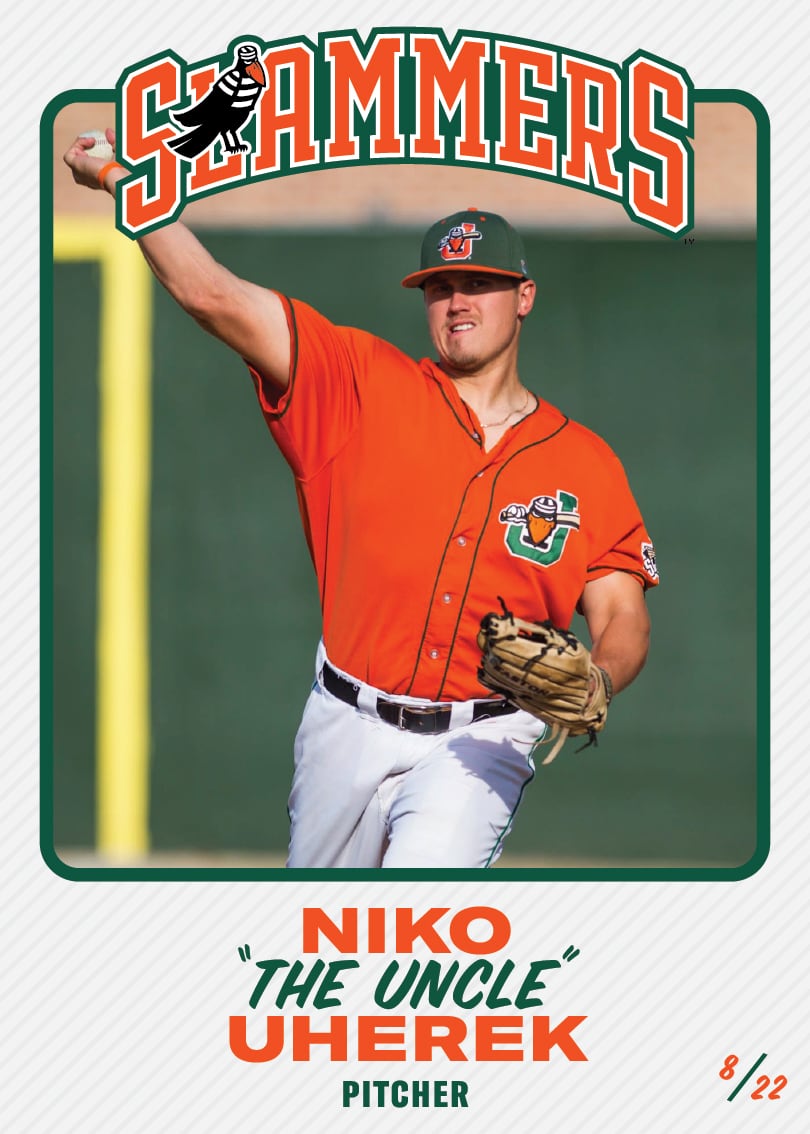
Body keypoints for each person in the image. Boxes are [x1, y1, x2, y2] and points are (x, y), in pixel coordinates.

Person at [64, 130, 659, 869]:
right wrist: (120, 178)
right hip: (345, 722)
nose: (457, 302)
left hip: (482, 739)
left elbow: (622, 613)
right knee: (328, 925)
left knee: (418, 910)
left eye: (479, 283)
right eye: (440, 287)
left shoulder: (586, 462)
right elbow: (210, 294)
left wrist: (601, 676)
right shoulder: (357, 384)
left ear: (524, 297)